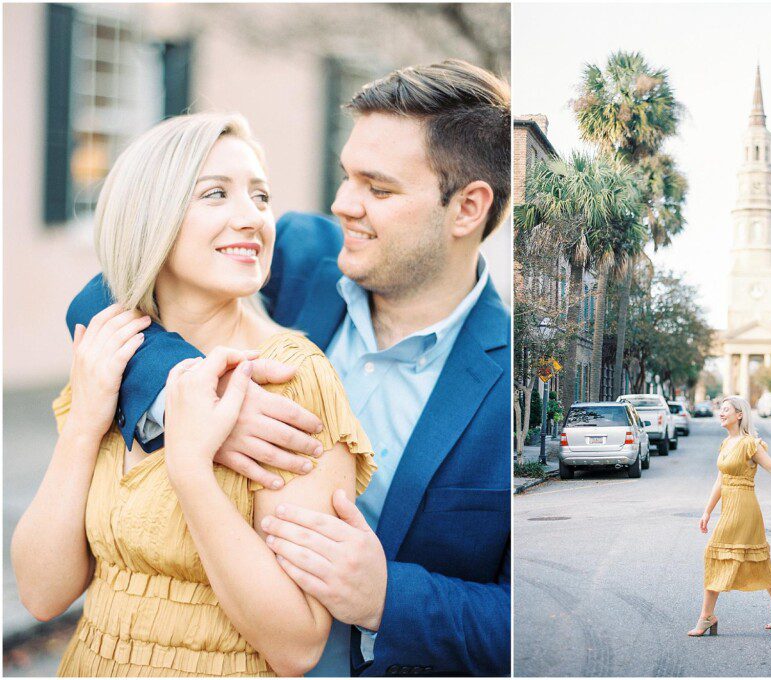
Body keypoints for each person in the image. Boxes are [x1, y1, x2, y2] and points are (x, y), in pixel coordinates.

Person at [65, 59, 511, 676]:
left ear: (468, 209)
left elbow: (526, 619)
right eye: (346, 176)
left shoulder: (512, 379)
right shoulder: (298, 252)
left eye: (378, 189)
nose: (343, 203)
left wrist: (391, 598)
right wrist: (193, 395)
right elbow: (113, 287)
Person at [12, 112, 377, 676]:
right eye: (216, 194)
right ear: (149, 217)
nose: (251, 217)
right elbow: (41, 594)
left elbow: (298, 644)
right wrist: (85, 425)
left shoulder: (289, 379)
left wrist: (191, 472)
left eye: (261, 196)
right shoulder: (116, 356)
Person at [688, 396, 771, 637]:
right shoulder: (726, 443)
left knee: (716, 554)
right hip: (729, 506)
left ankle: (706, 617)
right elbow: (720, 479)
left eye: (726, 409)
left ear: (740, 415)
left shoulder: (750, 443)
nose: (721, 413)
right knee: (757, 558)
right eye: (720, 409)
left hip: (744, 508)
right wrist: (707, 511)